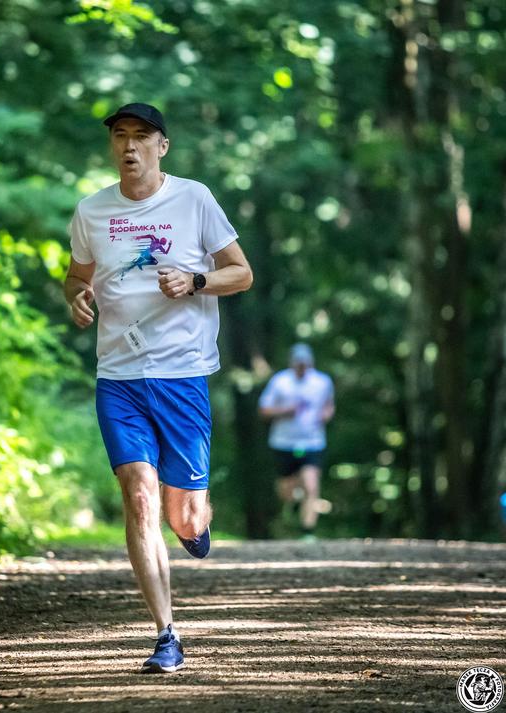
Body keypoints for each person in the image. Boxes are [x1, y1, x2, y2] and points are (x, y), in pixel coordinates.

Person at [64, 103, 252, 673]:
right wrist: (75, 296)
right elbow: (77, 275)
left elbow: (240, 272)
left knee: (183, 517)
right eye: (120, 137)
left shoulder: (194, 199)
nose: (130, 147)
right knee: (139, 494)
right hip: (118, 377)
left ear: (162, 146)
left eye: (142, 137)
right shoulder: (91, 210)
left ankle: (196, 521)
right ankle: (166, 633)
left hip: (182, 374)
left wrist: (196, 280)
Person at [258, 343, 335, 539]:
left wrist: (325, 415)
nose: (302, 367)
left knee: (311, 485)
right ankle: (293, 502)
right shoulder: (280, 381)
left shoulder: (322, 382)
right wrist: (285, 411)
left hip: (312, 442)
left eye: (305, 364)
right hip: (283, 442)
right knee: (287, 490)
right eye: (298, 363)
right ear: (292, 363)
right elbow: (264, 410)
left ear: (310, 363)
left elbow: (329, 406)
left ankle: (308, 531)